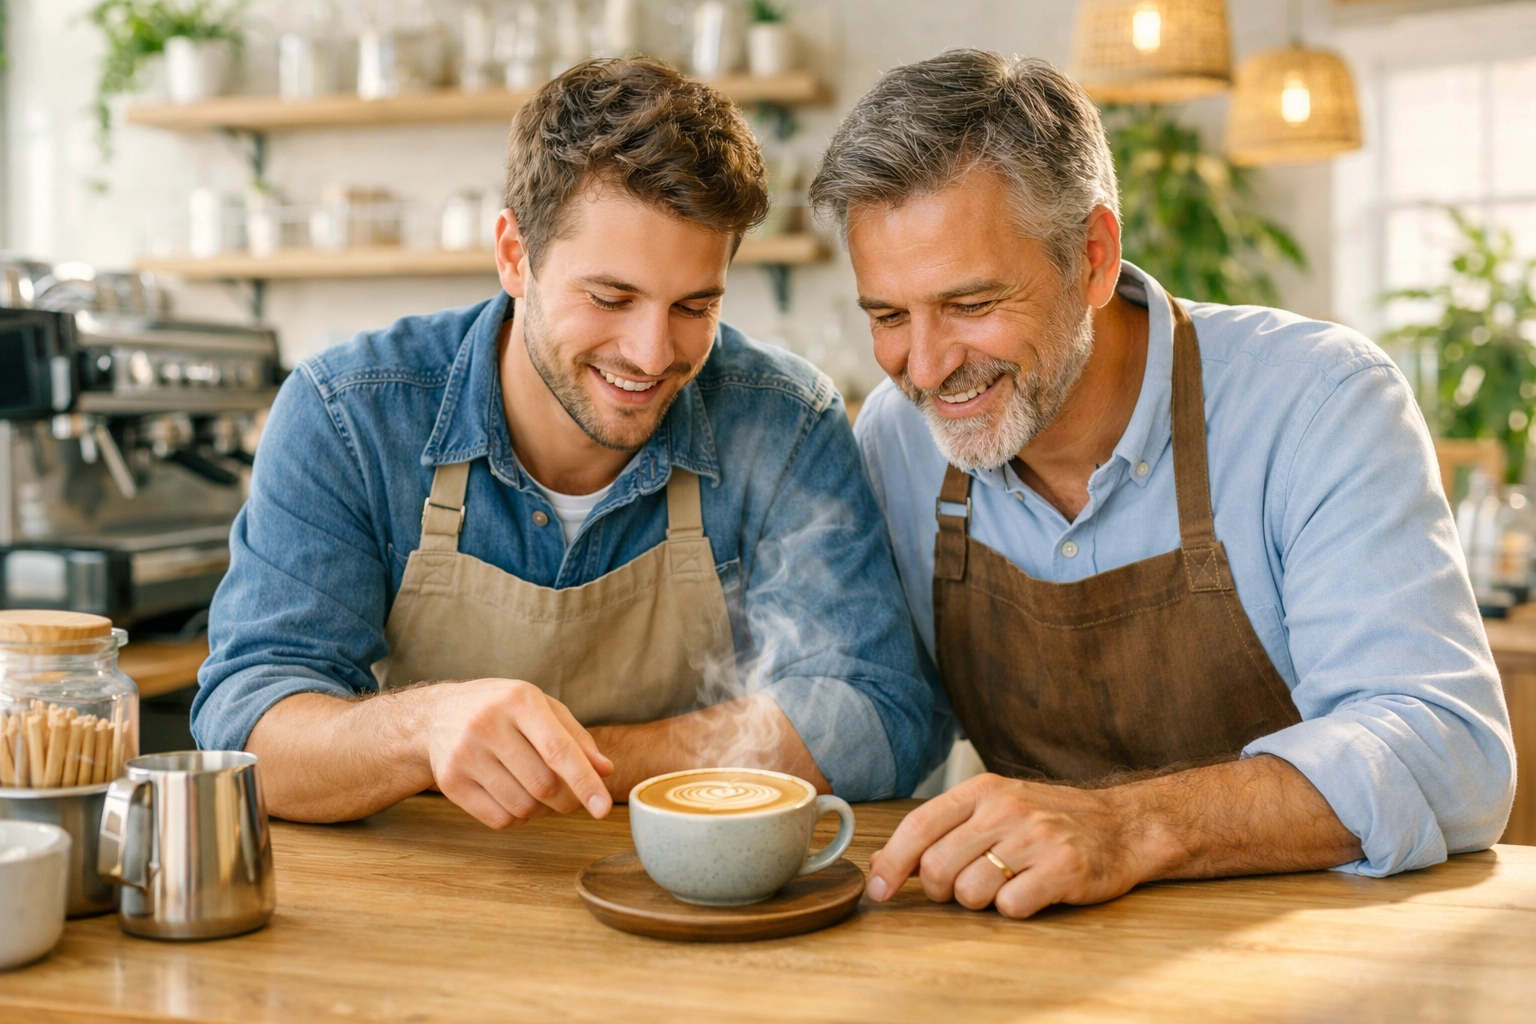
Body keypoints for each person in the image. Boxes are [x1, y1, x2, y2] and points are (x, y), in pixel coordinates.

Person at [809, 50, 1515, 919]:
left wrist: (1129, 827)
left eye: (970, 304)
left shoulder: (1318, 404)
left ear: (1094, 257)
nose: (923, 367)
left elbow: (1451, 752)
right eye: (887, 316)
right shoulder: (899, 440)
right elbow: (889, 719)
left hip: (1318, 954)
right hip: (1036, 964)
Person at [192, 58, 934, 829]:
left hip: (690, 900)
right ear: (515, 256)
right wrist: (425, 728)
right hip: (423, 903)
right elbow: (249, 730)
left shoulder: (781, 420)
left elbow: (878, 714)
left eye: (693, 306)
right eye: (610, 297)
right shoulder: (348, 417)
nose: (652, 354)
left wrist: (578, 756)